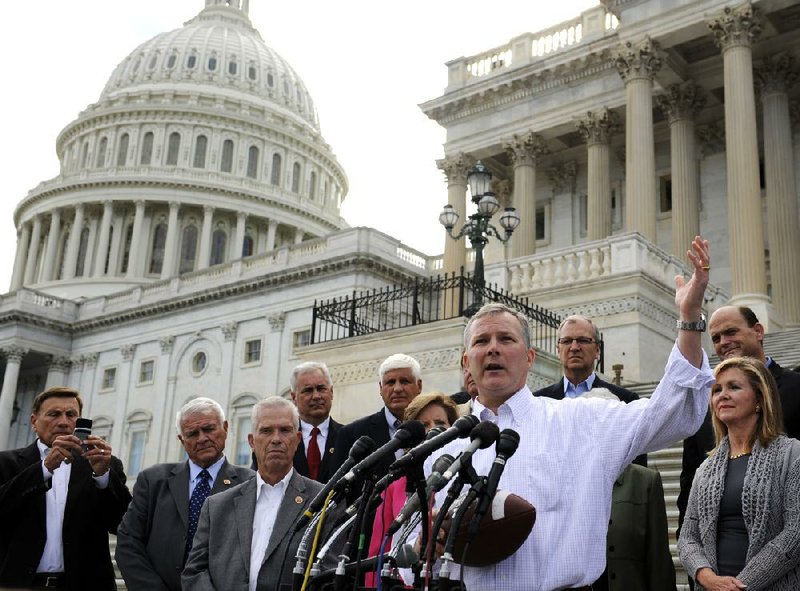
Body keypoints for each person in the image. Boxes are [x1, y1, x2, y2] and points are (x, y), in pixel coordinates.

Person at [428, 236, 714, 591]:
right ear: (466, 362)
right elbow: (411, 550)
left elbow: (673, 412)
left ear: (530, 358)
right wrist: (428, 543)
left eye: (506, 339)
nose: (493, 350)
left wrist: (688, 320)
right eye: (481, 342)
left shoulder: (583, 420)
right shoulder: (442, 449)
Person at [677, 306, 800, 546]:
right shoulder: (703, 405)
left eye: (731, 332)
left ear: (758, 331)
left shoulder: (797, 389)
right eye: (716, 338)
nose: (723, 342)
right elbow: (688, 488)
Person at [678, 356, 800, 590]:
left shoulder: (792, 454)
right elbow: (687, 539)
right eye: (716, 390)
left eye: (734, 387)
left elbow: (795, 534)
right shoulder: (705, 468)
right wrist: (706, 577)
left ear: (759, 399)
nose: (722, 395)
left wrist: (742, 585)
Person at [182, 396, 323, 591]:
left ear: (297, 440)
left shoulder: (323, 500)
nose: (276, 439)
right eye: (266, 431)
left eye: (285, 430)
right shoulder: (216, 507)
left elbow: (327, 574)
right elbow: (194, 573)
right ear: (251, 441)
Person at [116, 397, 254, 591]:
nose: (202, 438)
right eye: (192, 433)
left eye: (209, 429)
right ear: (181, 440)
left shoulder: (250, 484)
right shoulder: (153, 480)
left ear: (225, 428)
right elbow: (128, 543)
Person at [0, 386, 131, 590]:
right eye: (54, 414)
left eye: (71, 415)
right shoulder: (5, 463)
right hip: (18, 583)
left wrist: (103, 476)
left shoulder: (104, 464)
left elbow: (123, 525)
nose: (63, 421)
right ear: (34, 421)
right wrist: (44, 469)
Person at [365, 392, 459, 586]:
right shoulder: (394, 485)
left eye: (440, 423)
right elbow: (379, 551)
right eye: (424, 425)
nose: (433, 430)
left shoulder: (463, 476)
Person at [533, 314, 646, 469]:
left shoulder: (626, 401)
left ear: (597, 350)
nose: (574, 347)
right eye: (566, 341)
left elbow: (637, 472)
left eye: (583, 340)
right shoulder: (539, 402)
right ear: (558, 350)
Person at [332, 353, 423, 480]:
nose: (397, 388)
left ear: (419, 386)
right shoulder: (351, 435)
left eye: (404, 381)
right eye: (390, 382)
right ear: (381, 388)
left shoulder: (434, 427)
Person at [289, 361, 342, 483]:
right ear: (293, 397)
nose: (316, 396)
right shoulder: (283, 439)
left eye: (321, 388)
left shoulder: (349, 437)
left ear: (331, 392)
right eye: (308, 390)